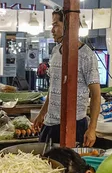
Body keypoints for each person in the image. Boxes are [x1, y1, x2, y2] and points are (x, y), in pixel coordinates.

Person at [33, 10, 101, 147]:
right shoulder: (55, 52)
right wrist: (42, 113)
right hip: (50, 123)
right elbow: (53, 88)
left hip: (74, 124)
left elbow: (96, 94)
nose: (52, 30)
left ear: (69, 26)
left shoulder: (86, 55)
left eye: (56, 25)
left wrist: (92, 128)